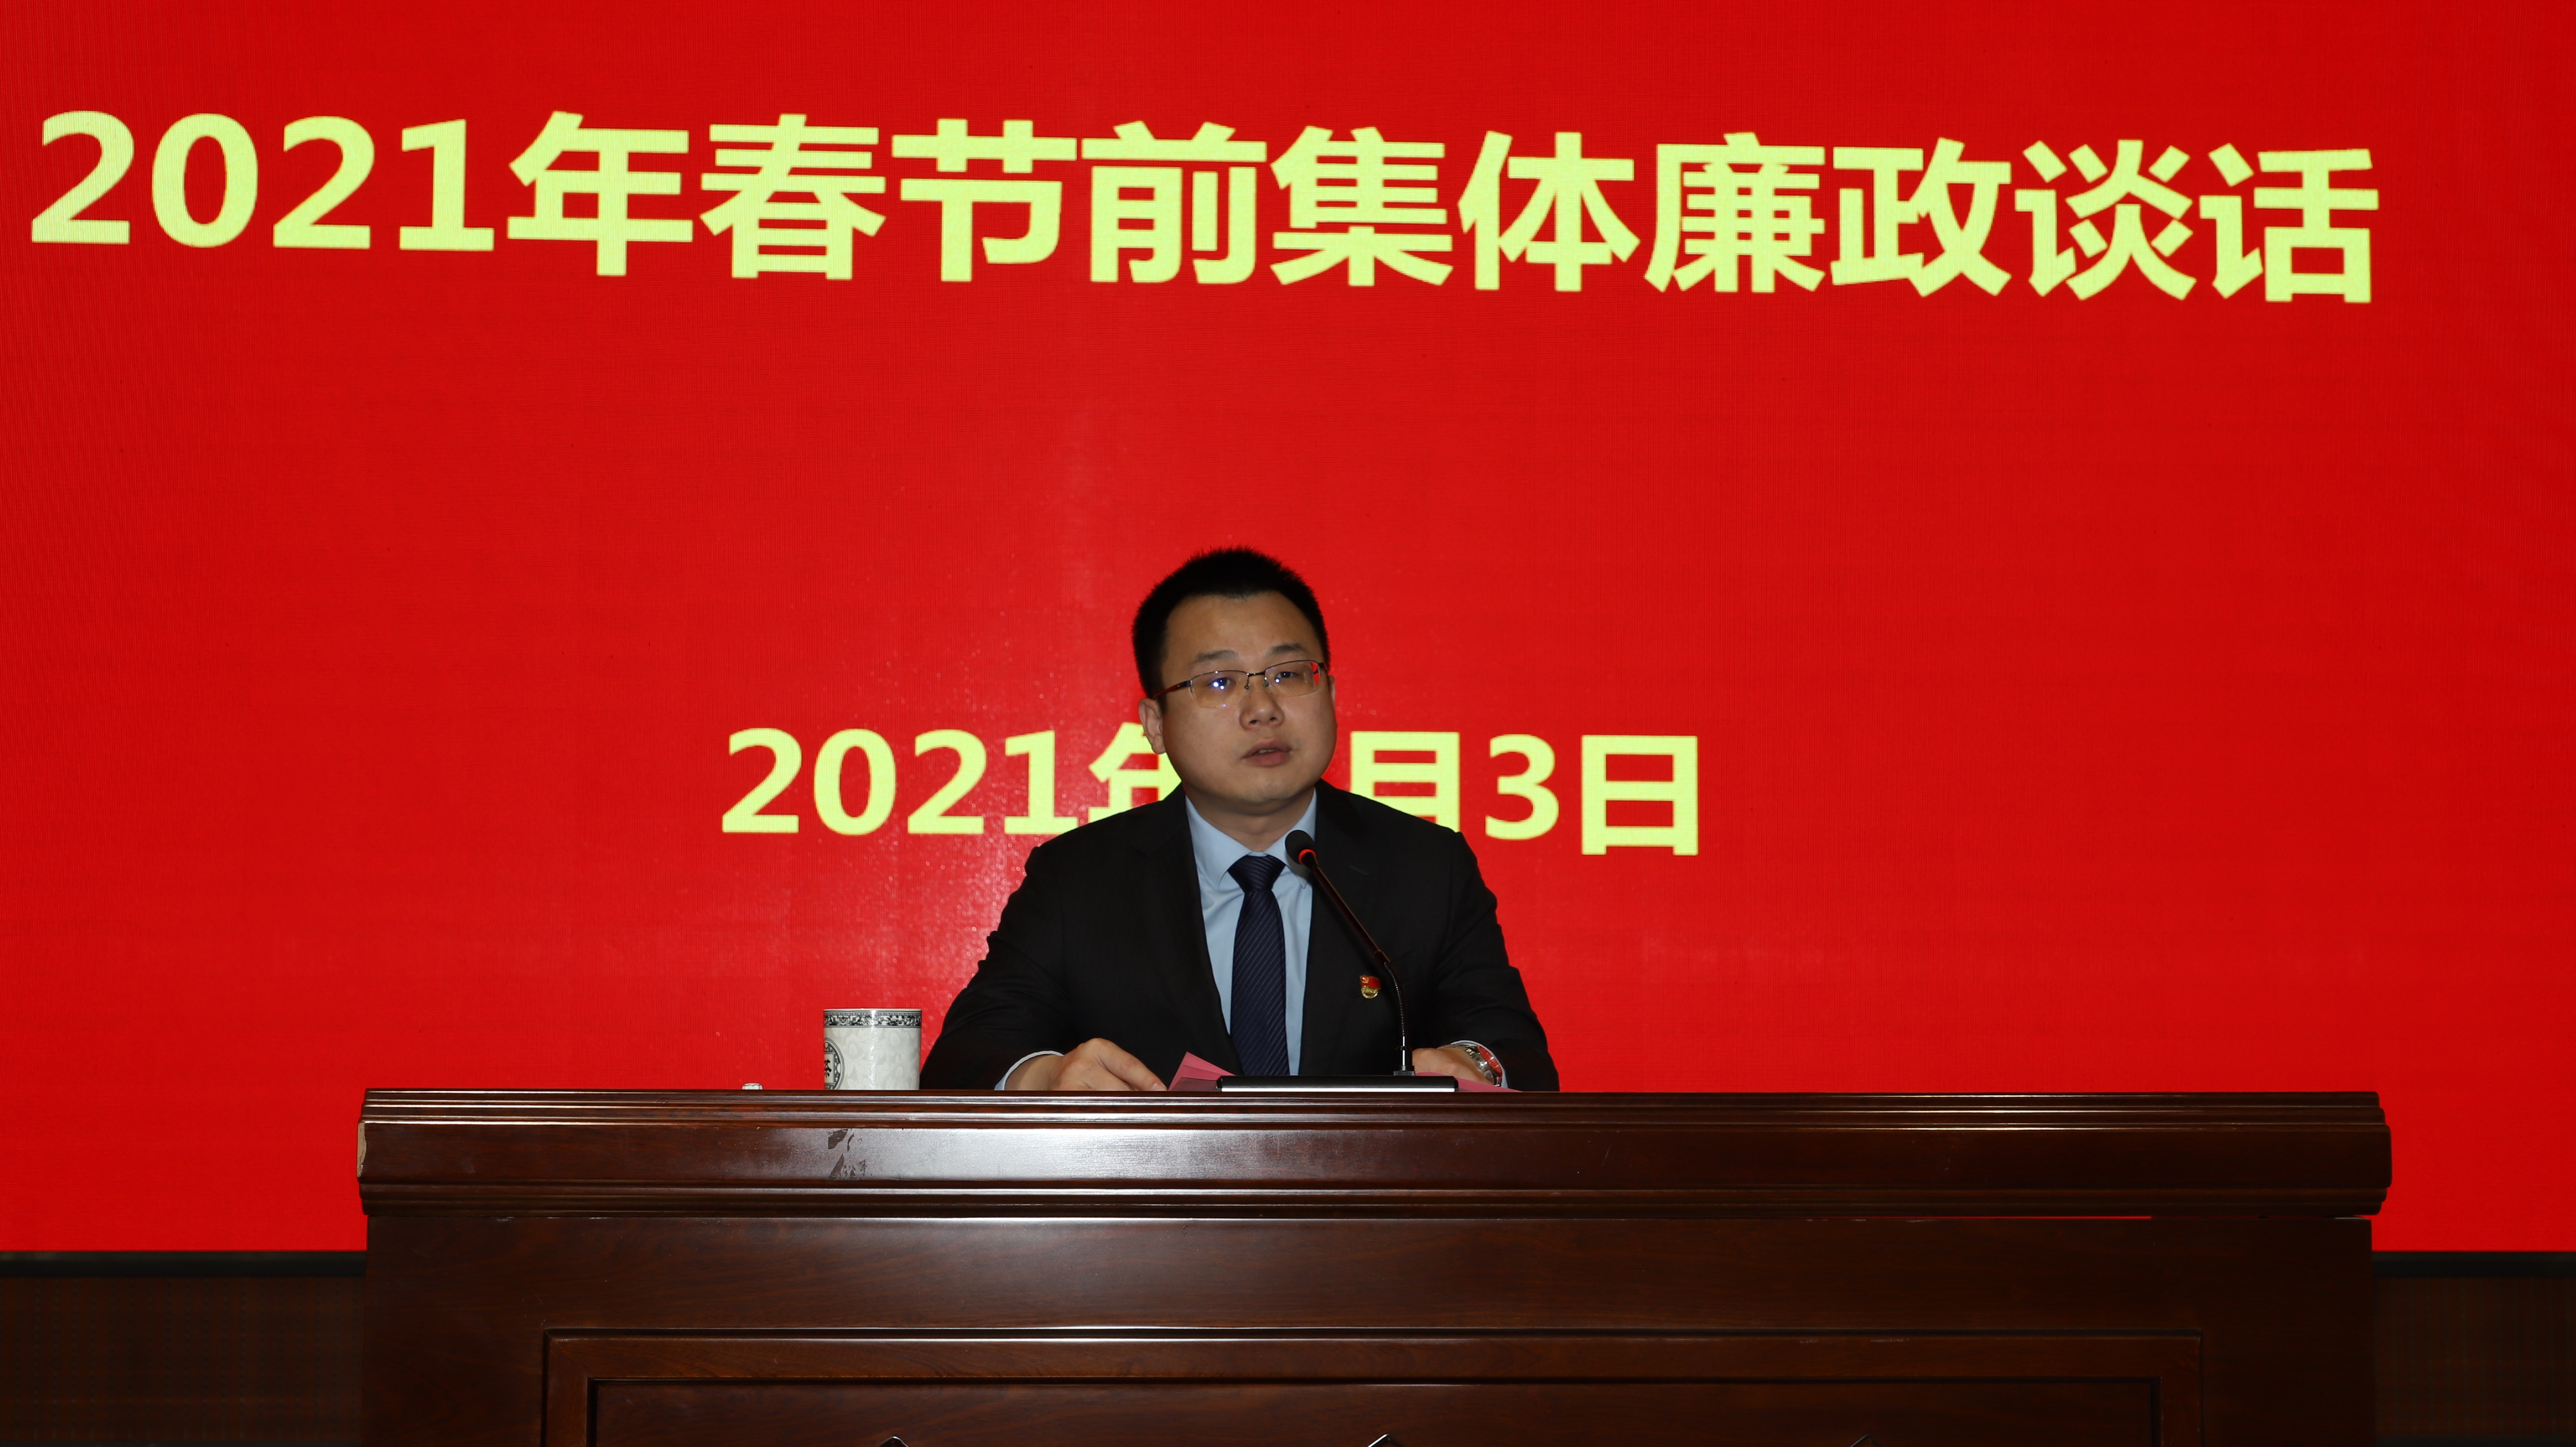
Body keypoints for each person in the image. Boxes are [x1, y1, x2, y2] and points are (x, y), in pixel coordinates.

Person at [919, 548, 1557, 1091]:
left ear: (1331, 695)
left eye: (1290, 674)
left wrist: (1474, 1065)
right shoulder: (1079, 878)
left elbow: (1518, 1054)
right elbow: (967, 1055)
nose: (1263, 708)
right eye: (1219, 682)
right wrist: (1044, 1076)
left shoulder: (1424, 866)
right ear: (1154, 724)